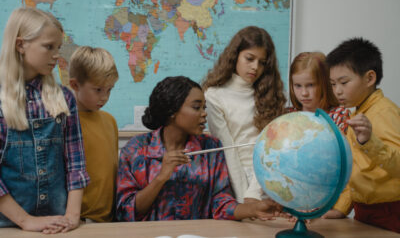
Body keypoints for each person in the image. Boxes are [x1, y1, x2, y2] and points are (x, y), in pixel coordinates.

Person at [116, 76, 282, 221]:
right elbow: (126, 211)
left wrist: (253, 209)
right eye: (197, 107)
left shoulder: (211, 148)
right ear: (172, 111)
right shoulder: (136, 149)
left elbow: (220, 204)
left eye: (204, 108)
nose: (204, 114)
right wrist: (161, 177)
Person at [0, 7, 89, 233]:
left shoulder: (64, 98)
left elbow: (76, 163)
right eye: (49, 47)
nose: (56, 55)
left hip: (58, 224)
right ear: (21, 45)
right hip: (8, 226)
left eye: (58, 48)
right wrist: (26, 221)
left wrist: (72, 217)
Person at [323, 37, 400, 233]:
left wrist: (370, 142)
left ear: (369, 78)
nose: (337, 91)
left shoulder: (384, 112)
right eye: (333, 84)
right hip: (364, 211)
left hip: (391, 211)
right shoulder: (357, 114)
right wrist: (342, 208)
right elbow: (357, 169)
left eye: (344, 82)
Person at [202, 26, 286, 203]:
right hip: (235, 182)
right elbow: (228, 151)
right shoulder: (213, 95)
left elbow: (271, 148)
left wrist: (256, 190)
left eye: (262, 62)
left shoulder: (270, 94)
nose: (255, 67)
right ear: (235, 56)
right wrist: (245, 197)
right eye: (249, 58)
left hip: (270, 178)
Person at [68, 46, 119, 222]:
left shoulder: (110, 121)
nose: (104, 97)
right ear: (75, 85)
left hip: (108, 219)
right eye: (98, 90)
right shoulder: (64, 123)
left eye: (109, 90)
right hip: (77, 219)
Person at [288, 51, 351, 133]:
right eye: (298, 86)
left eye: (310, 85)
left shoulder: (340, 116)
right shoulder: (288, 115)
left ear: (325, 84)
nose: (304, 93)